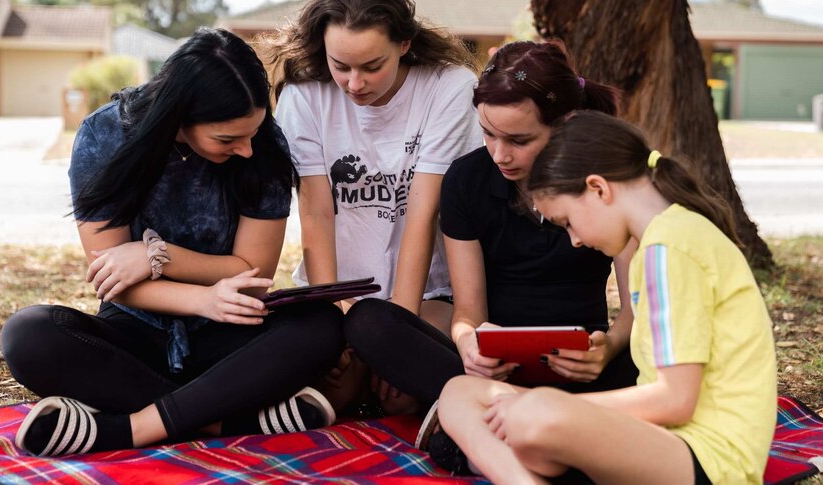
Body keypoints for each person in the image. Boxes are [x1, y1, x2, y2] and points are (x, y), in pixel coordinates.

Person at [0, 28, 345, 457]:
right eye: (227, 140)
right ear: (179, 116)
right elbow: (114, 281)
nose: (246, 151)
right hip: (133, 333)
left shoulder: (264, 146)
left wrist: (155, 256)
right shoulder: (105, 136)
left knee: (321, 325)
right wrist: (201, 299)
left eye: (251, 134)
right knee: (28, 335)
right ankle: (227, 420)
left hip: (226, 335)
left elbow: (251, 274)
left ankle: (127, 430)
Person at [438, 110, 777, 484]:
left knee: (534, 414)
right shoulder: (664, 239)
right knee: (460, 391)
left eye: (568, 222)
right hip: (665, 442)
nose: (575, 240)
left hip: (708, 459)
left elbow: (676, 399)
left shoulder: (670, 248)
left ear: (598, 188)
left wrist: (546, 408)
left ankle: (499, 458)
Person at [344, 40, 638, 432]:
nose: (500, 155)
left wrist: (609, 348)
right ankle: (500, 415)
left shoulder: (606, 181)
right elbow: (468, 312)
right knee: (369, 321)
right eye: (487, 134)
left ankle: (478, 420)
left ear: (565, 124)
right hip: (496, 370)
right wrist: (470, 346)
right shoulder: (467, 180)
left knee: (652, 359)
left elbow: (640, 306)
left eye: (519, 141)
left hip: (584, 365)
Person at [263, 0, 483, 412]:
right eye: (340, 66)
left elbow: (423, 210)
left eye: (371, 66)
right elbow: (315, 213)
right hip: (334, 295)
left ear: (404, 44)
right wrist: (333, 318)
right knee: (337, 391)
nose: (354, 83)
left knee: (400, 399)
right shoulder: (303, 96)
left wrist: (395, 335)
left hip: (426, 296)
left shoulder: (449, 86)